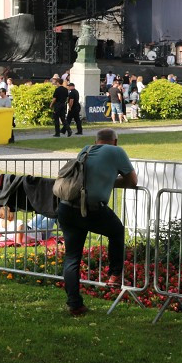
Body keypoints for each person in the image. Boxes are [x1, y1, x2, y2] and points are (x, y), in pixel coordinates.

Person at [56, 129, 137, 316]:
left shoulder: (86, 149)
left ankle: (74, 304)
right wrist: (111, 181)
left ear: (96, 141)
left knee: (72, 258)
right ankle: (115, 274)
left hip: (67, 207)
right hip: (90, 208)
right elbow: (132, 181)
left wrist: (107, 181)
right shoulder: (117, 152)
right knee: (117, 231)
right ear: (115, 141)